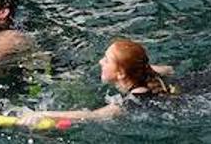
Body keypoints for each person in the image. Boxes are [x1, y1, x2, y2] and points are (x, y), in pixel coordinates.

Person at [9, 39, 178, 127]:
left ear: (120, 73)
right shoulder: (146, 73)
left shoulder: (131, 102)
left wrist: (43, 115)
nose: (100, 62)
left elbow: (93, 115)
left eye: (106, 60)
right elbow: (167, 69)